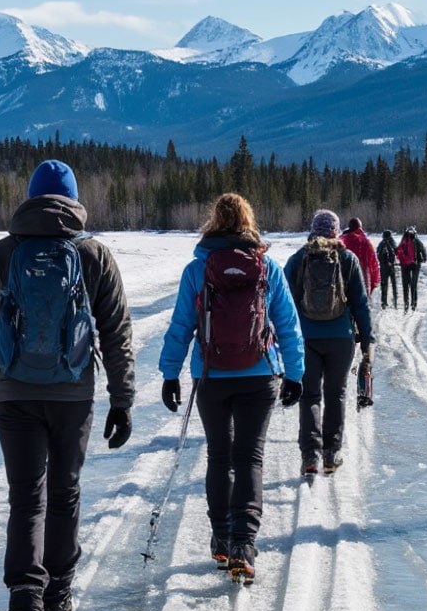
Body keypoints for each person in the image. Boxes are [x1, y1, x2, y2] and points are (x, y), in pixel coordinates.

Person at [0, 159, 135, 611]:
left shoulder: (3, 253)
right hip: (73, 395)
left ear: (30, 197)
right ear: (73, 200)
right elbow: (116, 332)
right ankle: (56, 603)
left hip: (14, 393)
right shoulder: (93, 253)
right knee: (64, 494)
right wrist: (122, 400)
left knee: (25, 498)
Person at [158, 194, 304, 584]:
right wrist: (295, 373)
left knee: (220, 457)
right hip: (259, 376)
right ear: (248, 221)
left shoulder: (198, 269)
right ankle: (244, 544)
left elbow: (181, 326)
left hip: (211, 376)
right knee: (250, 458)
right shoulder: (266, 266)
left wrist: (169, 374)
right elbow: (288, 324)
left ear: (213, 223)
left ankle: (221, 539)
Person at [285, 209, 373, 477]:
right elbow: (361, 304)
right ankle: (331, 453)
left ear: (313, 229)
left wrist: (283, 338)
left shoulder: (299, 258)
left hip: (306, 338)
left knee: (310, 395)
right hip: (341, 338)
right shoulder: (347, 259)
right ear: (335, 231)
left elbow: (284, 304)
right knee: (336, 393)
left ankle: (310, 456)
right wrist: (367, 341)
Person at [339, 217, 380, 299]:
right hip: (363, 282)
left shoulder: (341, 241)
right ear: (360, 227)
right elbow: (374, 264)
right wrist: (373, 284)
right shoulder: (365, 241)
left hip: (344, 283)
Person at [396, 226, 427, 312]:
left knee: (405, 284)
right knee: (414, 284)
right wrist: (424, 258)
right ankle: (414, 303)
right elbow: (423, 249)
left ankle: (406, 303)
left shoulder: (403, 240)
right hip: (415, 264)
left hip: (404, 265)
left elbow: (397, 250)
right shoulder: (416, 240)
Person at [376, 229, 398, 308]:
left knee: (384, 284)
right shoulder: (392, 242)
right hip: (391, 266)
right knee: (394, 284)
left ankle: (384, 302)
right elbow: (397, 251)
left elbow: (378, 253)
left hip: (383, 267)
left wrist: (382, 262)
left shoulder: (381, 243)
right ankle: (395, 300)